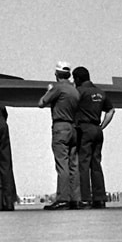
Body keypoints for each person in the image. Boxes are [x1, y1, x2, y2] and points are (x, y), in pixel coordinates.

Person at [38, 62, 81, 209]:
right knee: (73, 164)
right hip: (73, 128)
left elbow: (41, 103)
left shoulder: (57, 88)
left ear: (56, 75)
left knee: (62, 164)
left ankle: (63, 198)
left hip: (60, 127)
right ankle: (76, 199)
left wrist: (48, 91)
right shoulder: (75, 91)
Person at [71, 67, 114, 209]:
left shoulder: (79, 92)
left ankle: (85, 198)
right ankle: (100, 198)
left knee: (84, 164)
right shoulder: (100, 93)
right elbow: (111, 110)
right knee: (96, 164)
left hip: (84, 129)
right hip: (97, 129)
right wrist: (102, 126)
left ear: (77, 79)